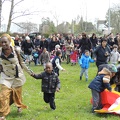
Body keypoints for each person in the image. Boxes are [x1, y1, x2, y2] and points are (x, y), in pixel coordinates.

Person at [0, 34, 33, 120]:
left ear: (10, 41)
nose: (3, 44)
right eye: (2, 42)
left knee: (17, 95)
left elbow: (23, 63)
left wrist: (31, 73)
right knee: (3, 95)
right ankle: (3, 114)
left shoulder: (17, 50)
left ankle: (19, 106)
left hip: (17, 76)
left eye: (5, 42)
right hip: (6, 76)